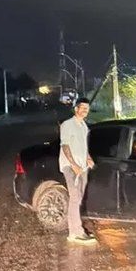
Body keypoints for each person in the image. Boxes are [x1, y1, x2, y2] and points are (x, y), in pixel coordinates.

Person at [59, 98, 96, 245]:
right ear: (76, 109)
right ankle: (77, 232)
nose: (85, 111)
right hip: (71, 167)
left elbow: (84, 147)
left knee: (78, 199)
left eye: (87, 109)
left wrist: (88, 159)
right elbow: (65, 146)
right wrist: (73, 164)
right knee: (75, 197)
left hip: (82, 167)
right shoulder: (67, 125)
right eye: (83, 108)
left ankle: (72, 232)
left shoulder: (84, 126)